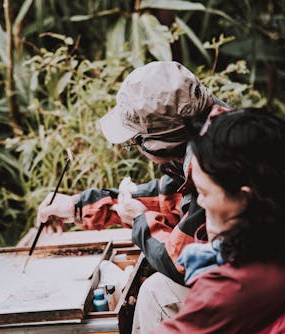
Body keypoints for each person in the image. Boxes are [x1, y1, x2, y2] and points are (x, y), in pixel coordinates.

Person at [36, 61, 232, 332]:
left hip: (282, 285)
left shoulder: (217, 167)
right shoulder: (213, 127)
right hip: (276, 268)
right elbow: (171, 195)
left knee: (156, 293)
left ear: (157, 143)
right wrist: (78, 206)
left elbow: (180, 264)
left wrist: (141, 220)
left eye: (133, 142)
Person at [153, 109, 285, 333]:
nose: (202, 203)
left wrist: (216, 234)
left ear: (245, 197)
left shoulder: (237, 283)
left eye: (204, 193)